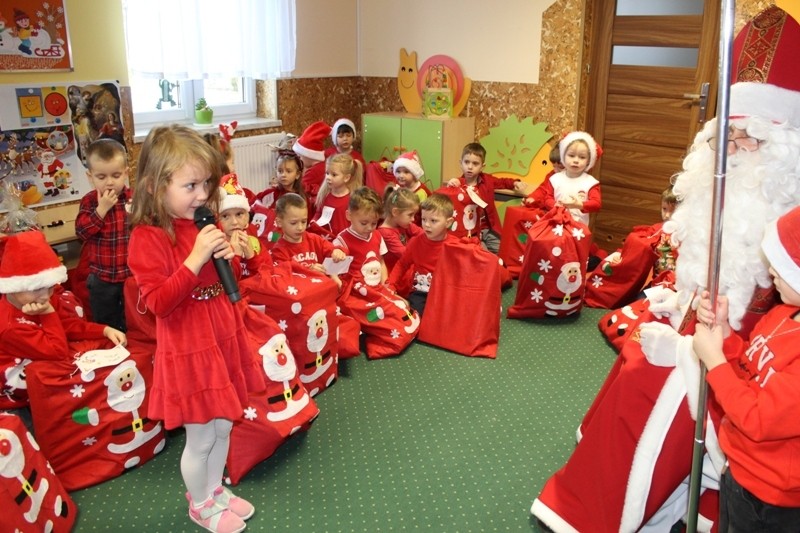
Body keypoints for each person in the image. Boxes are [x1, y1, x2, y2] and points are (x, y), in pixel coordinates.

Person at [531, 7, 800, 532]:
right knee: (636, 364)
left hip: (739, 373)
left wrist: (688, 350)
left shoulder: (787, 214)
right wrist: (678, 302)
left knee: (652, 385)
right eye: (727, 137)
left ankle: (648, 503)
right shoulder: (728, 192)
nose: (734, 152)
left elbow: (761, 355)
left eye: (752, 138)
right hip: (706, 333)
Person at [127, 124, 265, 533]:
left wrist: (227, 255)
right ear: (155, 187)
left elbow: (217, 280)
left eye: (206, 184)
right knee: (201, 436)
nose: (203, 195)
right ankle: (200, 504)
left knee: (224, 424)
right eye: (190, 186)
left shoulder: (202, 223)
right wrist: (195, 258)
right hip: (189, 343)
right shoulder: (147, 237)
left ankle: (215, 489)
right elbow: (158, 302)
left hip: (220, 330)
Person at [692, 205, 800, 532]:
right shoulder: (783, 314)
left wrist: (713, 361)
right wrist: (725, 335)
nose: (772, 271)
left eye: (784, 264)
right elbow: (750, 370)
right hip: (743, 468)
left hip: (769, 498)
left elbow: (757, 419)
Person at [0, 230, 126, 362]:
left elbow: (67, 325)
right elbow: (58, 352)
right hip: (29, 365)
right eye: (36, 289)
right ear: (12, 288)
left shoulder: (39, 298)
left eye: (51, 287)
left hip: (54, 346)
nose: (45, 296)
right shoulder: (10, 327)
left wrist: (104, 330)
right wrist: (47, 314)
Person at [75, 138, 131, 332]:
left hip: (131, 276)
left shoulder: (133, 199)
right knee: (106, 323)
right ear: (90, 177)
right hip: (102, 279)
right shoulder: (90, 201)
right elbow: (81, 232)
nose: (109, 182)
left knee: (133, 321)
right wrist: (101, 210)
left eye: (116, 175)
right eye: (101, 177)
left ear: (126, 173)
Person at [446, 142, 527, 254]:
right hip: (471, 232)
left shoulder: (487, 180)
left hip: (490, 229)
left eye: (475, 163)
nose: (470, 167)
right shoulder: (458, 184)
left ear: (482, 167)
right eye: (466, 162)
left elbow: (502, 182)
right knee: (483, 255)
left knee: (503, 253)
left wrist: (515, 183)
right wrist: (451, 184)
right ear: (461, 163)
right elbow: (449, 201)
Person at [387, 193, 457, 316]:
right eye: (424, 219)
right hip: (420, 292)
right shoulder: (416, 242)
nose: (427, 225)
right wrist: (391, 285)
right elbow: (402, 264)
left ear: (448, 222)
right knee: (416, 317)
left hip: (445, 292)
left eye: (433, 221)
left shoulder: (455, 245)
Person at [523, 131, 602, 227]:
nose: (576, 160)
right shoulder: (554, 179)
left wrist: (579, 204)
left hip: (577, 229)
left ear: (588, 161)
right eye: (571, 155)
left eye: (582, 157)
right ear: (563, 156)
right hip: (555, 225)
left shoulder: (591, 183)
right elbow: (548, 198)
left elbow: (596, 204)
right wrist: (555, 204)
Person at [271, 193, 347, 287]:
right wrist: (309, 271)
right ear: (279, 222)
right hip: (302, 291)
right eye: (293, 223)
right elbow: (284, 279)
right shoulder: (278, 251)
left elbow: (334, 249)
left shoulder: (313, 239)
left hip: (323, 287)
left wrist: (337, 251)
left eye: (303, 221)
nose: (300, 227)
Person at [332, 187, 388, 287]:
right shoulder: (342, 240)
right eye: (364, 223)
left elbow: (381, 262)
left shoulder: (377, 235)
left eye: (374, 223)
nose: (369, 228)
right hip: (355, 289)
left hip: (377, 287)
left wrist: (385, 284)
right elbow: (333, 271)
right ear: (349, 216)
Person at [218, 173, 266, 279]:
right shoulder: (216, 248)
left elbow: (267, 277)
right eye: (225, 216)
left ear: (247, 217)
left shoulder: (254, 242)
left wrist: (252, 257)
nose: (234, 222)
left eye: (239, 214)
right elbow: (223, 284)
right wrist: (236, 256)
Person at [310, 153, 363, 238]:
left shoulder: (352, 199)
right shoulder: (325, 195)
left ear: (346, 178)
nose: (328, 177)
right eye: (327, 173)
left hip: (344, 240)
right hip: (325, 239)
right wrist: (313, 221)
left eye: (334, 175)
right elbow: (319, 213)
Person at [378, 185, 422, 272]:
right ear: (395, 212)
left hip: (407, 270)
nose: (413, 219)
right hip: (395, 275)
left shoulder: (404, 223)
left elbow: (424, 234)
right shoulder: (385, 233)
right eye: (410, 215)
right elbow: (406, 255)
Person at [294, 121, 332, 204]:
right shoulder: (323, 165)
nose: (300, 159)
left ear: (309, 155)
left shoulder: (312, 172)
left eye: (301, 156)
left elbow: (299, 188)